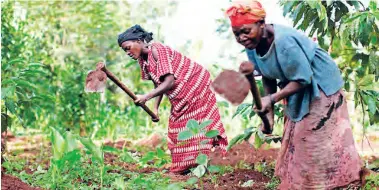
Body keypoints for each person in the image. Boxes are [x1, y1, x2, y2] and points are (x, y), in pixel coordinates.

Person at [226, 0, 362, 189]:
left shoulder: (284, 42)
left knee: (314, 134)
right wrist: (270, 115)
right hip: (296, 83)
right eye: (236, 34)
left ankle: (334, 180)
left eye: (246, 31)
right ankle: (301, 180)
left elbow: (303, 78)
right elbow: (267, 77)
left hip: (320, 81)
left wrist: (272, 99)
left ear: (261, 24)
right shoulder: (253, 47)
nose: (242, 38)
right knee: (296, 131)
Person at [117, 25, 228, 174]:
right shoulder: (143, 61)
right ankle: (189, 167)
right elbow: (158, 82)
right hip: (180, 96)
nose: (128, 52)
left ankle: (197, 166)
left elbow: (169, 82)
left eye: (128, 47)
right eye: (125, 50)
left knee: (196, 126)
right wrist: (155, 109)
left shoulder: (157, 49)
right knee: (177, 129)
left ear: (138, 40)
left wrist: (146, 97)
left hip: (196, 85)